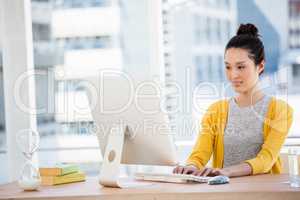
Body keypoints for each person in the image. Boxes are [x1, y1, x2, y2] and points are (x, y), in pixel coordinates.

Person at [173, 23, 293, 178]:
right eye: (228, 67)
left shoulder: (280, 110)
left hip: (263, 192)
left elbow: (266, 160)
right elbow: (199, 154)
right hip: (224, 192)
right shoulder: (215, 110)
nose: (233, 75)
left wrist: (226, 171)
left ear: (260, 66)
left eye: (241, 67)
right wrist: (190, 167)